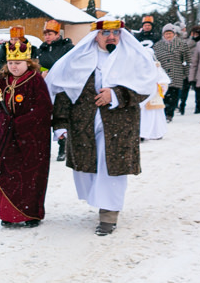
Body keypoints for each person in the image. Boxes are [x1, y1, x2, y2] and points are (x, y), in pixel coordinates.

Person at [45, 18, 156, 236]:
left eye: (115, 33)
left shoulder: (132, 57)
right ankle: (100, 201)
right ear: (96, 35)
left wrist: (116, 94)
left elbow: (145, 87)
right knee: (87, 170)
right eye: (105, 33)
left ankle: (108, 214)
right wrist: (59, 123)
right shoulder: (79, 58)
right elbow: (65, 90)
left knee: (111, 167)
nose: (111, 37)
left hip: (119, 124)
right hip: (83, 124)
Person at [0, 29, 52, 228]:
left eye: (18, 63)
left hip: (32, 138)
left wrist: (21, 122)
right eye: (10, 63)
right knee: (7, 172)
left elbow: (43, 108)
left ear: (28, 62)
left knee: (30, 175)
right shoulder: (3, 80)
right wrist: (3, 120)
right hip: (7, 137)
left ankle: (30, 213)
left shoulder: (35, 81)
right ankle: (8, 214)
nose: (14, 67)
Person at [36, 19, 74, 161]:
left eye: (50, 33)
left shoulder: (67, 47)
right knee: (45, 118)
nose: (47, 37)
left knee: (61, 117)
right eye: (46, 34)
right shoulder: (41, 49)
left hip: (62, 88)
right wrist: (41, 74)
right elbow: (35, 65)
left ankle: (62, 147)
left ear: (57, 34)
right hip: (45, 88)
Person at [153, 23, 191, 122]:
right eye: (166, 33)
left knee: (173, 96)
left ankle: (170, 114)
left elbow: (187, 60)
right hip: (163, 75)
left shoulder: (182, 44)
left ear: (174, 34)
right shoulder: (157, 46)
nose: (168, 35)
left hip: (176, 74)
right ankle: (163, 113)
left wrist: (186, 73)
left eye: (170, 33)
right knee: (164, 95)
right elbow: (154, 60)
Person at [138, 46, 170, 140]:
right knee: (144, 115)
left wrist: (160, 86)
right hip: (143, 94)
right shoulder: (139, 66)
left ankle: (156, 132)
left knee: (155, 115)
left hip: (154, 95)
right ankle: (143, 133)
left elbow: (163, 79)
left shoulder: (156, 66)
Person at [180, 25, 200, 114]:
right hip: (186, 67)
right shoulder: (187, 41)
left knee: (197, 89)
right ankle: (182, 105)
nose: (194, 35)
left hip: (197, 68)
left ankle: (198, 105)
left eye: (197, 33)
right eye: (193, 33)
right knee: (184, 89)